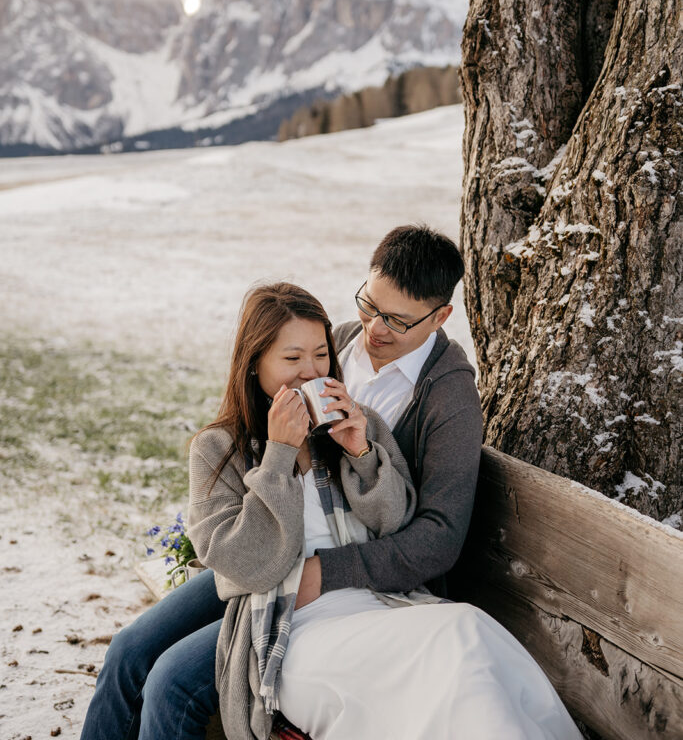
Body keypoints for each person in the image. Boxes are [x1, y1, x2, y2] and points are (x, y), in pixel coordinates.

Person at [80, 225, 485, 737]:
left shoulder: (446, 399)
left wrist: (327, 563)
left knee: (170, 681)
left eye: (397, 321)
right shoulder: (334, 343)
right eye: (368, 305)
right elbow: (241, 536)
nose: (374, 329)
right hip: (266, 553)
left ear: (440, 317)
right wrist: (275, 455)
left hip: (345, 574)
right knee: (129, 651)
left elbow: (435, 536)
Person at [187, 279, 581, 739]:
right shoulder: (219, 449)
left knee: (469, 633)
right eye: (291, 359)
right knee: (453, 640)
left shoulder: (359, 424)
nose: (310, 372)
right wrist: (277, 456)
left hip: (384, 604)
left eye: (320, 355)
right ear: (254, 364)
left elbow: (397, 522)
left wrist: (361, 454)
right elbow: (245, 567)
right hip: (295, 628)